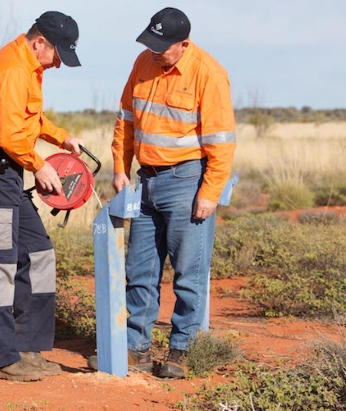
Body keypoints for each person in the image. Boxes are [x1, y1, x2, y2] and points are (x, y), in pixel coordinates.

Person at [89, 7, 236, 379]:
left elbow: (221, 142)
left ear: (184, 44)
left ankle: (183, 349)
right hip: (145, 182)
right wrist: (120, 170)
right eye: (150, 43)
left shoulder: (209, 73)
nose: (154, 51)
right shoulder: (143, 62)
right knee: (140, 270)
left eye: (162, 46)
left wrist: (210, 191)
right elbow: (125, 121)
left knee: (188, 272)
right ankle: (135, 348)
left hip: (188, 181)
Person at [0, 11, 84, 381]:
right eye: (57, 54)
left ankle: (28, 347)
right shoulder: (12, 67)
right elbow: (12, 135)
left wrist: (63, 137)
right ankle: (1, 359)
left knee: (38, 252)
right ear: (39, 41)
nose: (58, 63)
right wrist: (39, 165)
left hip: (8, 170)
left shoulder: (31, 68)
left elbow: (31, 120)